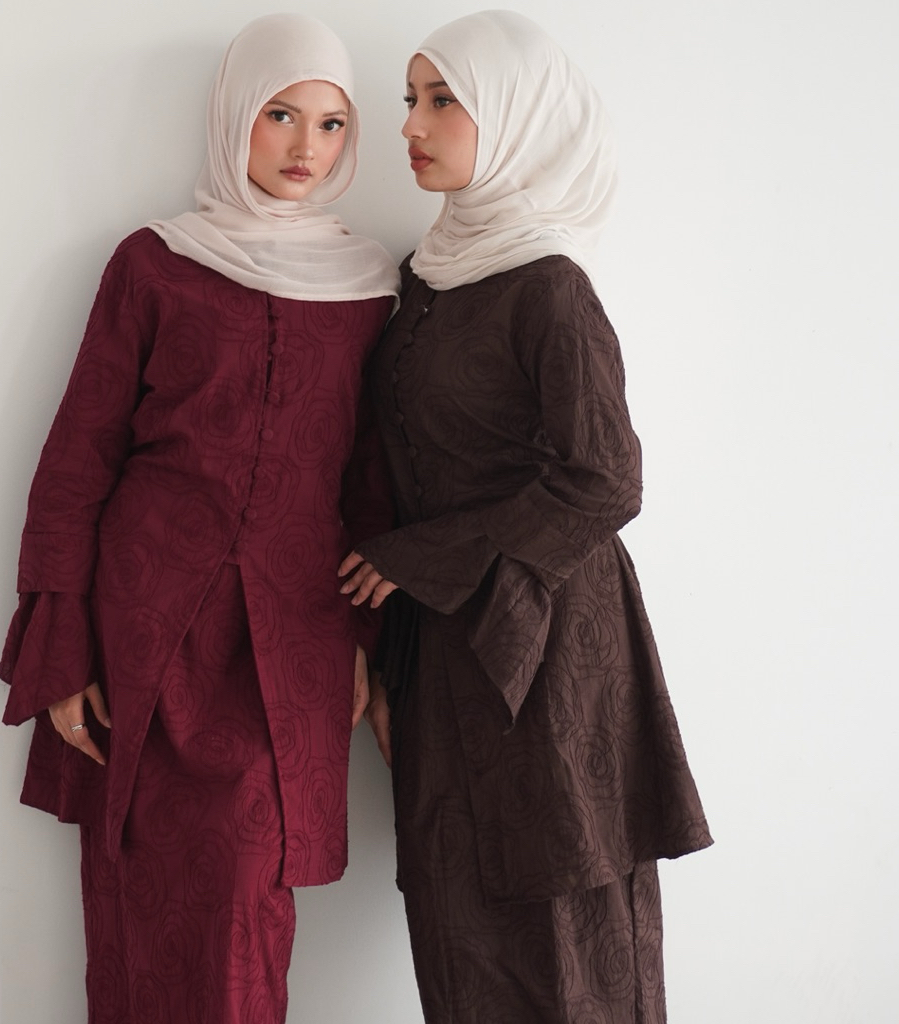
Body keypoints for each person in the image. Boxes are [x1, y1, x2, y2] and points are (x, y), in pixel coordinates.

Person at [0, 13, 398, 1023]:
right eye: (279, 114)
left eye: (332, 124)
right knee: (135, 896)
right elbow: (79, 458)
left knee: (245, 905)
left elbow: (372, 485)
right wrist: (61, 648)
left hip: (289, 645)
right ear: (233, 114)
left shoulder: (371, 290)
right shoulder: (154, 265)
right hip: (145, 632)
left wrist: (367, 643)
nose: (306, 148)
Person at [339, 10, 712, 1022]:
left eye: (442, 100)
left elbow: (608, 478)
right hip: (442, 648)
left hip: (548, 646)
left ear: (514, 116)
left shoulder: (551, 286)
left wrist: (420, 554)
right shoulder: (424, 275)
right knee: (458, 930)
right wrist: (386, 648)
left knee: (569, 931)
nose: (411, 123)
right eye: (409, 99)